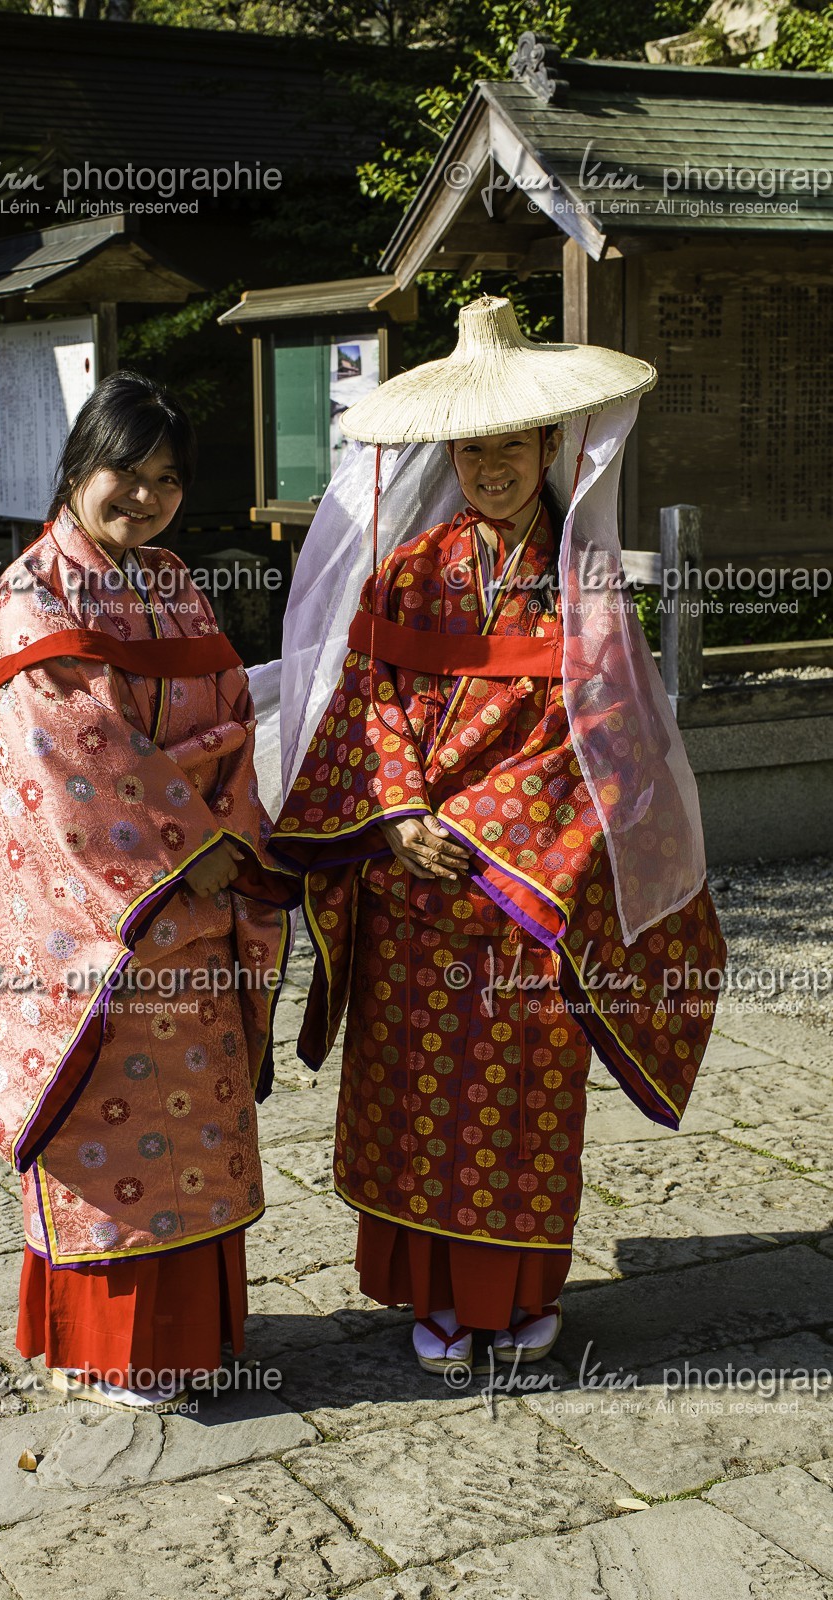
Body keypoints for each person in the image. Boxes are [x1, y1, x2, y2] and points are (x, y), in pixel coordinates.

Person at [271, 296, 728, 1376]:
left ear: (543, 447)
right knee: (415, 1103)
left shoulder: (584, 585)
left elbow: (605, 743)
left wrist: (491, 839)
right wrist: (398, 815)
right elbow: (365, 704)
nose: (489, 469)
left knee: (521, 1105)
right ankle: (431, 1298)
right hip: (413, 888)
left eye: (508, 448)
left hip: (525, 901)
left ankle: (517, 1294)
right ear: (452, 452)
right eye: (470, 450)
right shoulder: (409, 571)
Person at [0, 371, 297, 1411]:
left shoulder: (172, 582)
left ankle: (189, 1335)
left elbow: (233, 705)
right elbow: (67, 751)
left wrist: (225, 822)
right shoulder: (32, 596)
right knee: (111, 1129)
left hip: (195, 899)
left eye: (165, 479)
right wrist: (187, 838)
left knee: (196, 1124)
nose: (144, 498)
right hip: (92, 917)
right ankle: (119, 1346)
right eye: (125, 472)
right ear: (76, 468)